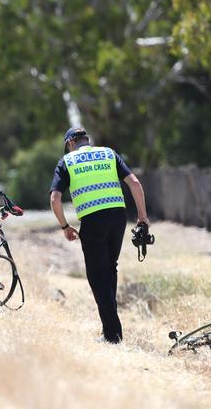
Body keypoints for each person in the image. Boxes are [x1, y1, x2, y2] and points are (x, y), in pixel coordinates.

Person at [49, 126, 149, 344]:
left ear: (70, 144)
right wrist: (142, 217)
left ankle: (113, 335)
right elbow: (134, 183)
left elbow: (55, 199)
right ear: (87, 140)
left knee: (97, 276)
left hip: (93, 221)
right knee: (110, 268)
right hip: (118, 217)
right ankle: (111, 328)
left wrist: (65, 226)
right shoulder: (108, 153)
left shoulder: (67, 161)